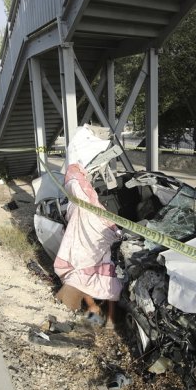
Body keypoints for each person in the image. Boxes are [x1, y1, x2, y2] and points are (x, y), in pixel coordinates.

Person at [54, 126, 122, 328]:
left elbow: (89, 202)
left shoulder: (73, 176)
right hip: (92, 232)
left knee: (82, 274)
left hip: (82, 234)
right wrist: (113, 227)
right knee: (107, 277)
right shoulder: (78, 181)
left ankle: (95, 311)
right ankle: (108, 319)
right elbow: (93, 205)